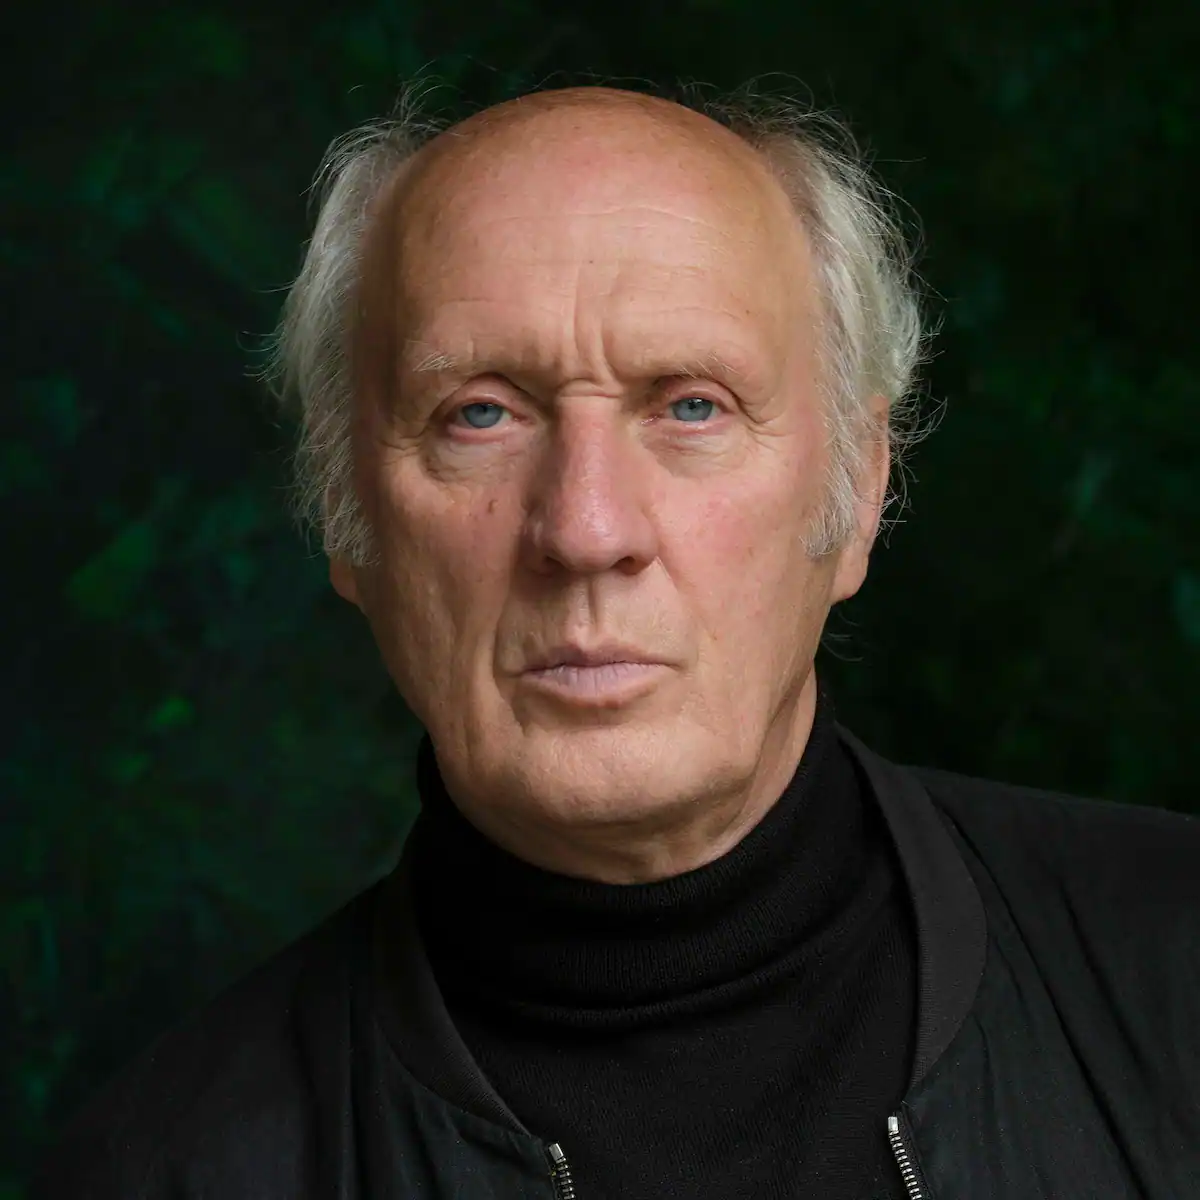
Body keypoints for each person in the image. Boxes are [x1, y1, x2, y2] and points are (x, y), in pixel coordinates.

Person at [33, 82, 1199, 1200]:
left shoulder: (1174, 967)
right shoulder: (164, 1176)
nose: (587, 531)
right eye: (479, 413)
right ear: (348, 517)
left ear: (856, 492)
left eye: (692, 405)